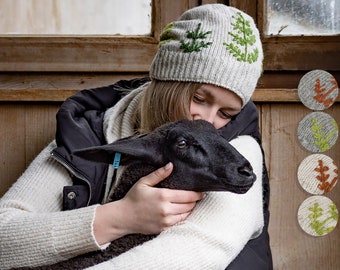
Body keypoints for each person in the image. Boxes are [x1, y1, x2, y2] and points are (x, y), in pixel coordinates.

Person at [0, 4, 272, 270]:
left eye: (226, 113)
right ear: (168, 82)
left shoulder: (239, 150)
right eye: (199, 98)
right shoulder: (89, 135)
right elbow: (4, 238)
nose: (209, 121)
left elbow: (197, 251)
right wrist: (120, 217)